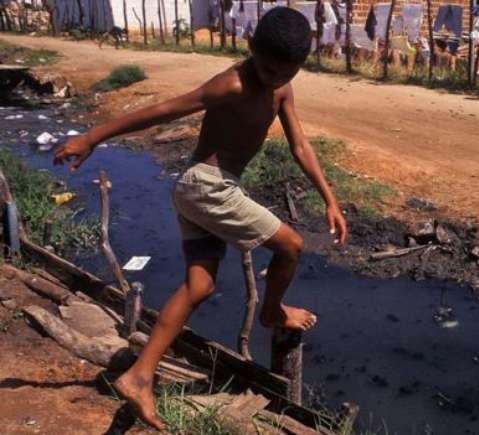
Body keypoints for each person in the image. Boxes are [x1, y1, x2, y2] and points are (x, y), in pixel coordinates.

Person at [53, 7, 347, 431]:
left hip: (201, 190)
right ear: (250, 47)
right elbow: (164, 110)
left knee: (199, 286)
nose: (275, 79)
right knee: (291, 245)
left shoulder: (282, 88)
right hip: (206, 185)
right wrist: (91, 136)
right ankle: (272, 313)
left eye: (287, 72)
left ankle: (138, 376)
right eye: (268, 69)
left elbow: (300, 146)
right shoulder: (232, 83)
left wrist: (330, 199)